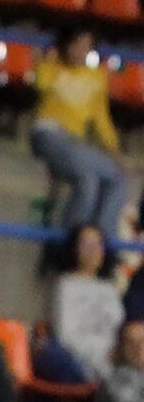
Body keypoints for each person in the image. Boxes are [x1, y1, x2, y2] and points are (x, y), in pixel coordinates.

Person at [31, 31, 129, 244]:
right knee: (104, 175)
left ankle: (97, 244)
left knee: (93, 181)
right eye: (77, 45)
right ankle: (79, 247)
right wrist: (50, 61)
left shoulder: (96, 78)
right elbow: (41, 84)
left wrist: (113, 150)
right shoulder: (53, 68)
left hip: (75, 142)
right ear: (67, 46)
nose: (81, 51)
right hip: (48, 134)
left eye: (86, 46)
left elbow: (102, 120)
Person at [47, 224, 125, 383]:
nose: (93, 250)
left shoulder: (109, 289)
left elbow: (118, 327)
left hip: (111, 362)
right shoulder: (65, 285)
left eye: (98, 244)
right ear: (74, 249)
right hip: (77, 361)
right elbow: (65, 335)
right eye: (86, 244)